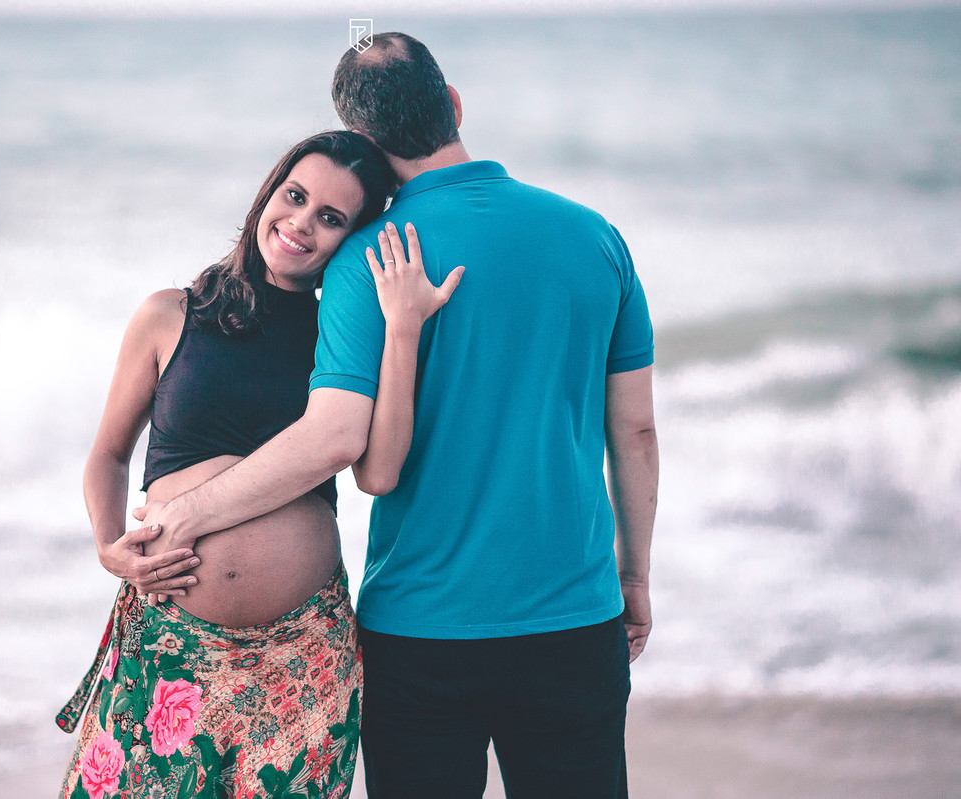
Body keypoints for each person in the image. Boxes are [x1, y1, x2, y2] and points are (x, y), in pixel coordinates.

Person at [136, 32, 659, 799]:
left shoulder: (369, 257)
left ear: (365, 143)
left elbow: (336, 436)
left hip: (420, 630)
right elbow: (635, 431)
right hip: (574, 619)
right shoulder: (595, 237)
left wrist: (186, 513)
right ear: (454, 106)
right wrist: (634, 574)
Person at [55, 130, 462, 799]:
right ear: (269, 192)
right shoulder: (169, 314)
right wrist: (107, 546)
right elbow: (108, 453)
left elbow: (380, 472)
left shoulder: (345, 340)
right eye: (295, 196)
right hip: (169, 644)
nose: (301, 223)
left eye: (331, 217)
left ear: (353, 238)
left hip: (304, 659)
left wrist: (402, 328)